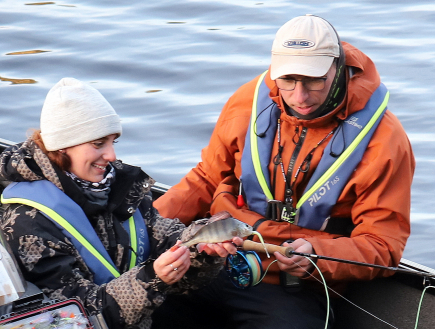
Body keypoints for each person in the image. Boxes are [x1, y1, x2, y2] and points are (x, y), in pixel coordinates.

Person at [152, 14, 415, 329]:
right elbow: (206, 179)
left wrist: (316, 254)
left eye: (314, 80)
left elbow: (383, 246)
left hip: (294, 288)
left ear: (338, 67)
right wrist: (145, 227)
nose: (300, 96)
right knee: (141, 309)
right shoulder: (248, 101)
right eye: (288, 80)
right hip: (216, 261)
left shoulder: (385, 140)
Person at [0, 78, 241, 329]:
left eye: (112, 142)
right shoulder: (27, 221)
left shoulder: (117, 185)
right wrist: (152, 278)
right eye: (98, 144)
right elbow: (76, 315)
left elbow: (167, 236)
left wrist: (203, 244)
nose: (112, 156)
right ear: (62, 147)